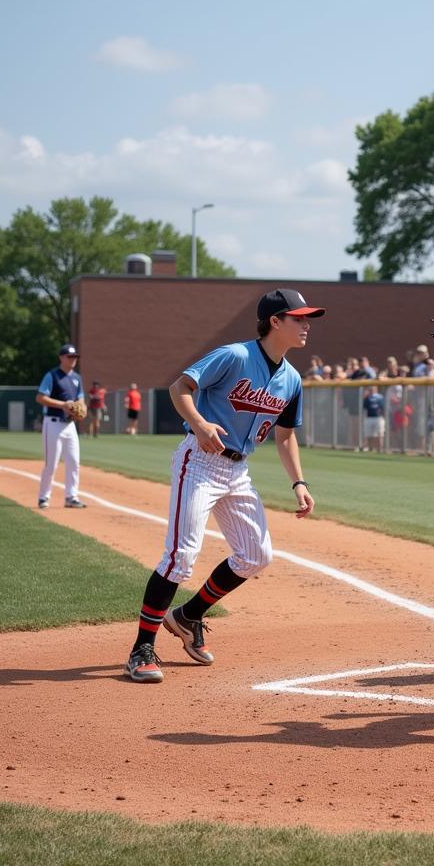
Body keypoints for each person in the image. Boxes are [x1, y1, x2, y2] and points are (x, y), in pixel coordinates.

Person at [123, 288, 324, 683]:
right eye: (298, 318)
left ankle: (189, 615)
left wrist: (298, 481)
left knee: (256, 555)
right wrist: (199, 424)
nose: (306, 325)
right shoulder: (234, 355)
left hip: (237, 471)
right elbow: (179, 388)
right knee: (181, 556)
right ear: (275, 321)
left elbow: (285, 436)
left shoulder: (293, 379)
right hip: (198, 462)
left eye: (307, 319)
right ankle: (140, 649)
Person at [36, 343, 87, 509]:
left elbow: (80, 399)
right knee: (51, 464)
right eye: (69, 356)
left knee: (74, 462)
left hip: (70, 426)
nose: (73, 360)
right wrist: (63, 405)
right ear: (61, 358)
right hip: (53, 423)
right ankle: (44, 497)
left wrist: (80, 407)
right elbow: (40, 397)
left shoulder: (77, 378)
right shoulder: (52, 376)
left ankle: (71, 497)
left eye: (75, 357)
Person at [361, 385, 386, 453]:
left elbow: (383, 407)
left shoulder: (380, 397)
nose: (372, 389)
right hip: (369, 417)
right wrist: (364, 397)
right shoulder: (367, 397)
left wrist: (383, 416)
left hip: (378, 417)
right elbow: (364, 406)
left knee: (380, 434)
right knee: (369, 435)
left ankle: (380, 449)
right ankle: (370, 448)